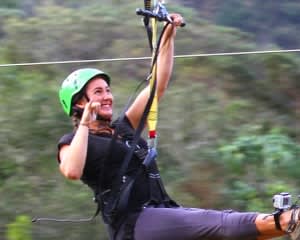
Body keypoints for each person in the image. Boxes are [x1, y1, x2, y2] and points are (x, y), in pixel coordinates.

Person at [57, 13, 300, 240]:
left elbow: (157, 86)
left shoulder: (124, 127)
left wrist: (168, 35)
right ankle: (290, 220)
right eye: (98, 92)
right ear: (79, 102)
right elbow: (72, 171)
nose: (108, 96)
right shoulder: (72, 141)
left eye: (108, 90)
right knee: (222, 223)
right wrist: (85, 126)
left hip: (162, 211)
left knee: (230, 230)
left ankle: (288, 223)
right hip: (135, 223)